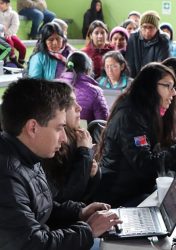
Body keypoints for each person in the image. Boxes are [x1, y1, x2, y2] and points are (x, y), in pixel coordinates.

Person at [0, 78, 121, 249]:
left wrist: (79, 213)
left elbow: (42, 207)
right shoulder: (6, 177)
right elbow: (32, 244)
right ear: (33, 128)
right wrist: (88, 230)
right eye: (59, 128)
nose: (63, 137)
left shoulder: (27, 155)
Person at [94, 63, 176, 207]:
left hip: (137, 190)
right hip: (119, 199)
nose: (173, 93)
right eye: (168, 86)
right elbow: (146, 166)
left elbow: (160, 144)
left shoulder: (145, 112)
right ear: (149, 87)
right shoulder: (130, 117)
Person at [42, 90, 100, 203]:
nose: (79, 107)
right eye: (70, 104)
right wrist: (85, 154)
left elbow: (87, 194)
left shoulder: (78, 136)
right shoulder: (49, 147)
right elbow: (66, 198)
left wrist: (94, 172)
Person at [58, 51, 109, 123]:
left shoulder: (53, 86)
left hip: (55, 133)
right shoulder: (95, 91)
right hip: (84, 132)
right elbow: (103, 123)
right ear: (88, 69)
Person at [126, 10, 170, 77]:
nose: (147, 31)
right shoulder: (133, 38)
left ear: (156, 28)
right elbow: (130, 63)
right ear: (140, 27)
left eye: (151, 27)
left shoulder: (163, 40)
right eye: (144, 27)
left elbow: (162, 65)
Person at [0, 0, 26, 68]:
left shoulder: (13, 14)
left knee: (22, 47)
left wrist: (8, 33)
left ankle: (20, 62)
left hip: (11, 34)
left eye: (2, 3)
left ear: (7, 4)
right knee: (9, 42)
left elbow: (15, 25)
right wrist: (4, 34)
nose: (0, 5)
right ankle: (13, 59)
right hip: (1, 35)